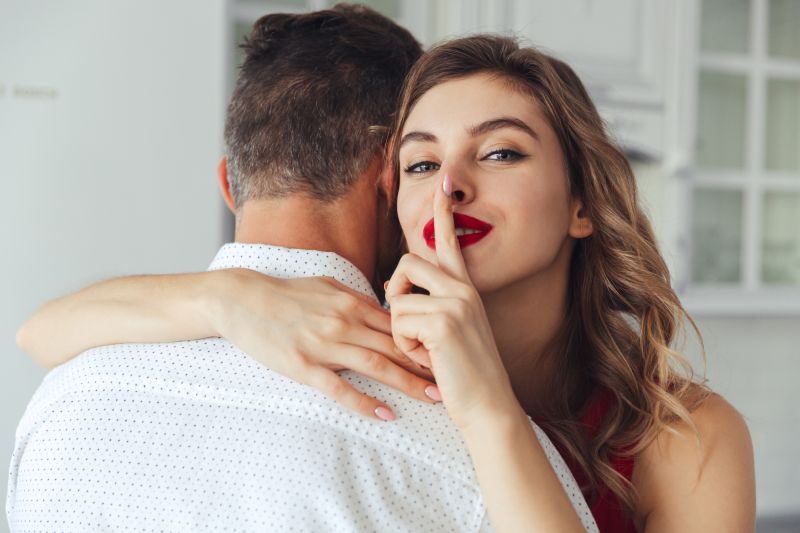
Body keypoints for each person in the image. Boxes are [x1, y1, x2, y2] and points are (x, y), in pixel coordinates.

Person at [14, 32, 755, 533]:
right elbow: (41, 331)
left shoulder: (688, 438)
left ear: (582, 203)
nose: (452, 187)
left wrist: (488, 406)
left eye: (499, 154)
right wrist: (227, 296)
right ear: (386, 196)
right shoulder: (357, 352)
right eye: (423, 164)